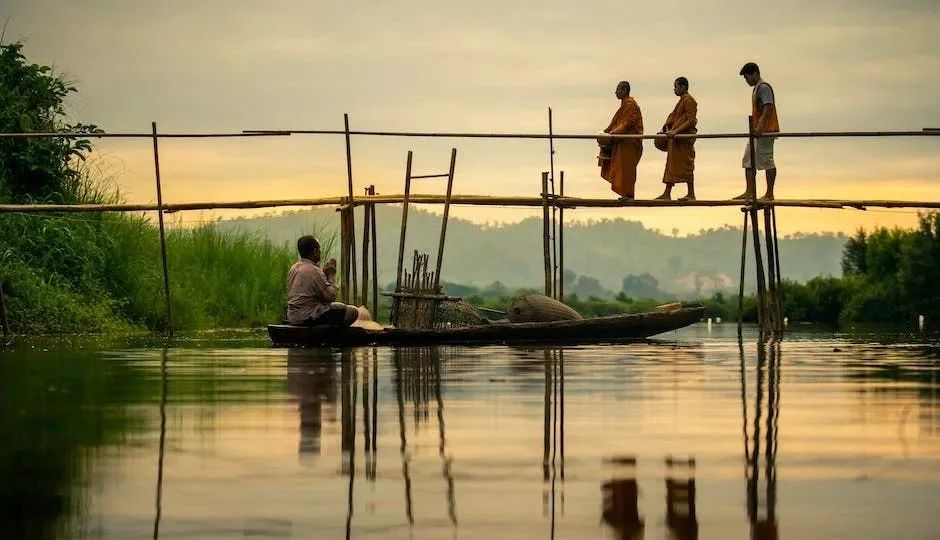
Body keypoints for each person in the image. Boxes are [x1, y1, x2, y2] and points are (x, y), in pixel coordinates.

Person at [286, 235, 358, 326]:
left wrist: (324, 275)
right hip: (308, 317)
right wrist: (331, 276)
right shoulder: (314, 270)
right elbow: (330, 296)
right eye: (319, 249)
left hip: (294, 317)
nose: (320, 252)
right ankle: (332, 335)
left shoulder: (294, 268)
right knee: (352, 311)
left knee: (339, 306)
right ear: (315, 251)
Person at [735, 62, 780, 200]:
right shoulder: (756, 89)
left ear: (755, 74)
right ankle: (749, 191)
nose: (747, 81)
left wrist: (760, 126)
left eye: (747, 77)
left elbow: (768, 107)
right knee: (748, 160)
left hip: (766, 130)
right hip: (756, 131)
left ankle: (769, 193)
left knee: (767, 161)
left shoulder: (764, 87)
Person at [598, 81, 644, 200]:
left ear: (624, 90)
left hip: (629, 141)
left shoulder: (630, 104)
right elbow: (617, 122)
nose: (616, 92)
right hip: (623, 141)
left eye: (618, 89)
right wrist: (607, 131)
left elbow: (628, 123)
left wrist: (613, 133)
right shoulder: (625, 104)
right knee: (621, 168)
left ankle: (628, 194)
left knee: (626, 168)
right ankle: (625, 193)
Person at [656, 77, 698, 201]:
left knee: (687, 165)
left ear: (683, 87)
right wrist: (667, 131)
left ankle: (691, 194)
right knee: (671, 165)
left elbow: (691, 120)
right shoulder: (681, 101)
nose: (674, 89)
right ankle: (667, 193)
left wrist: (676, 131)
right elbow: (675, 119)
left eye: (676, 87)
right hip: (676, 139)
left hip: (684, 138)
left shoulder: (689, 100)